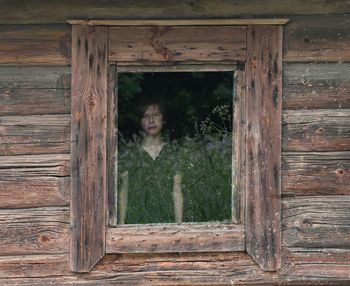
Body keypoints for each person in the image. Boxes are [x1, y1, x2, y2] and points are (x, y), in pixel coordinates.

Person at [117, 99, 183, 224]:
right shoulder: (130, 153)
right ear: (140, 121)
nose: (151, 120)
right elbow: (123, 192)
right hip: (136, 221)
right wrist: (121, 225)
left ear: (164, 119)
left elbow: (177, 191)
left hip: (166, 221)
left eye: (156, 115)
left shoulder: (171, 152)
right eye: (145, 116)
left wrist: (178, 225)